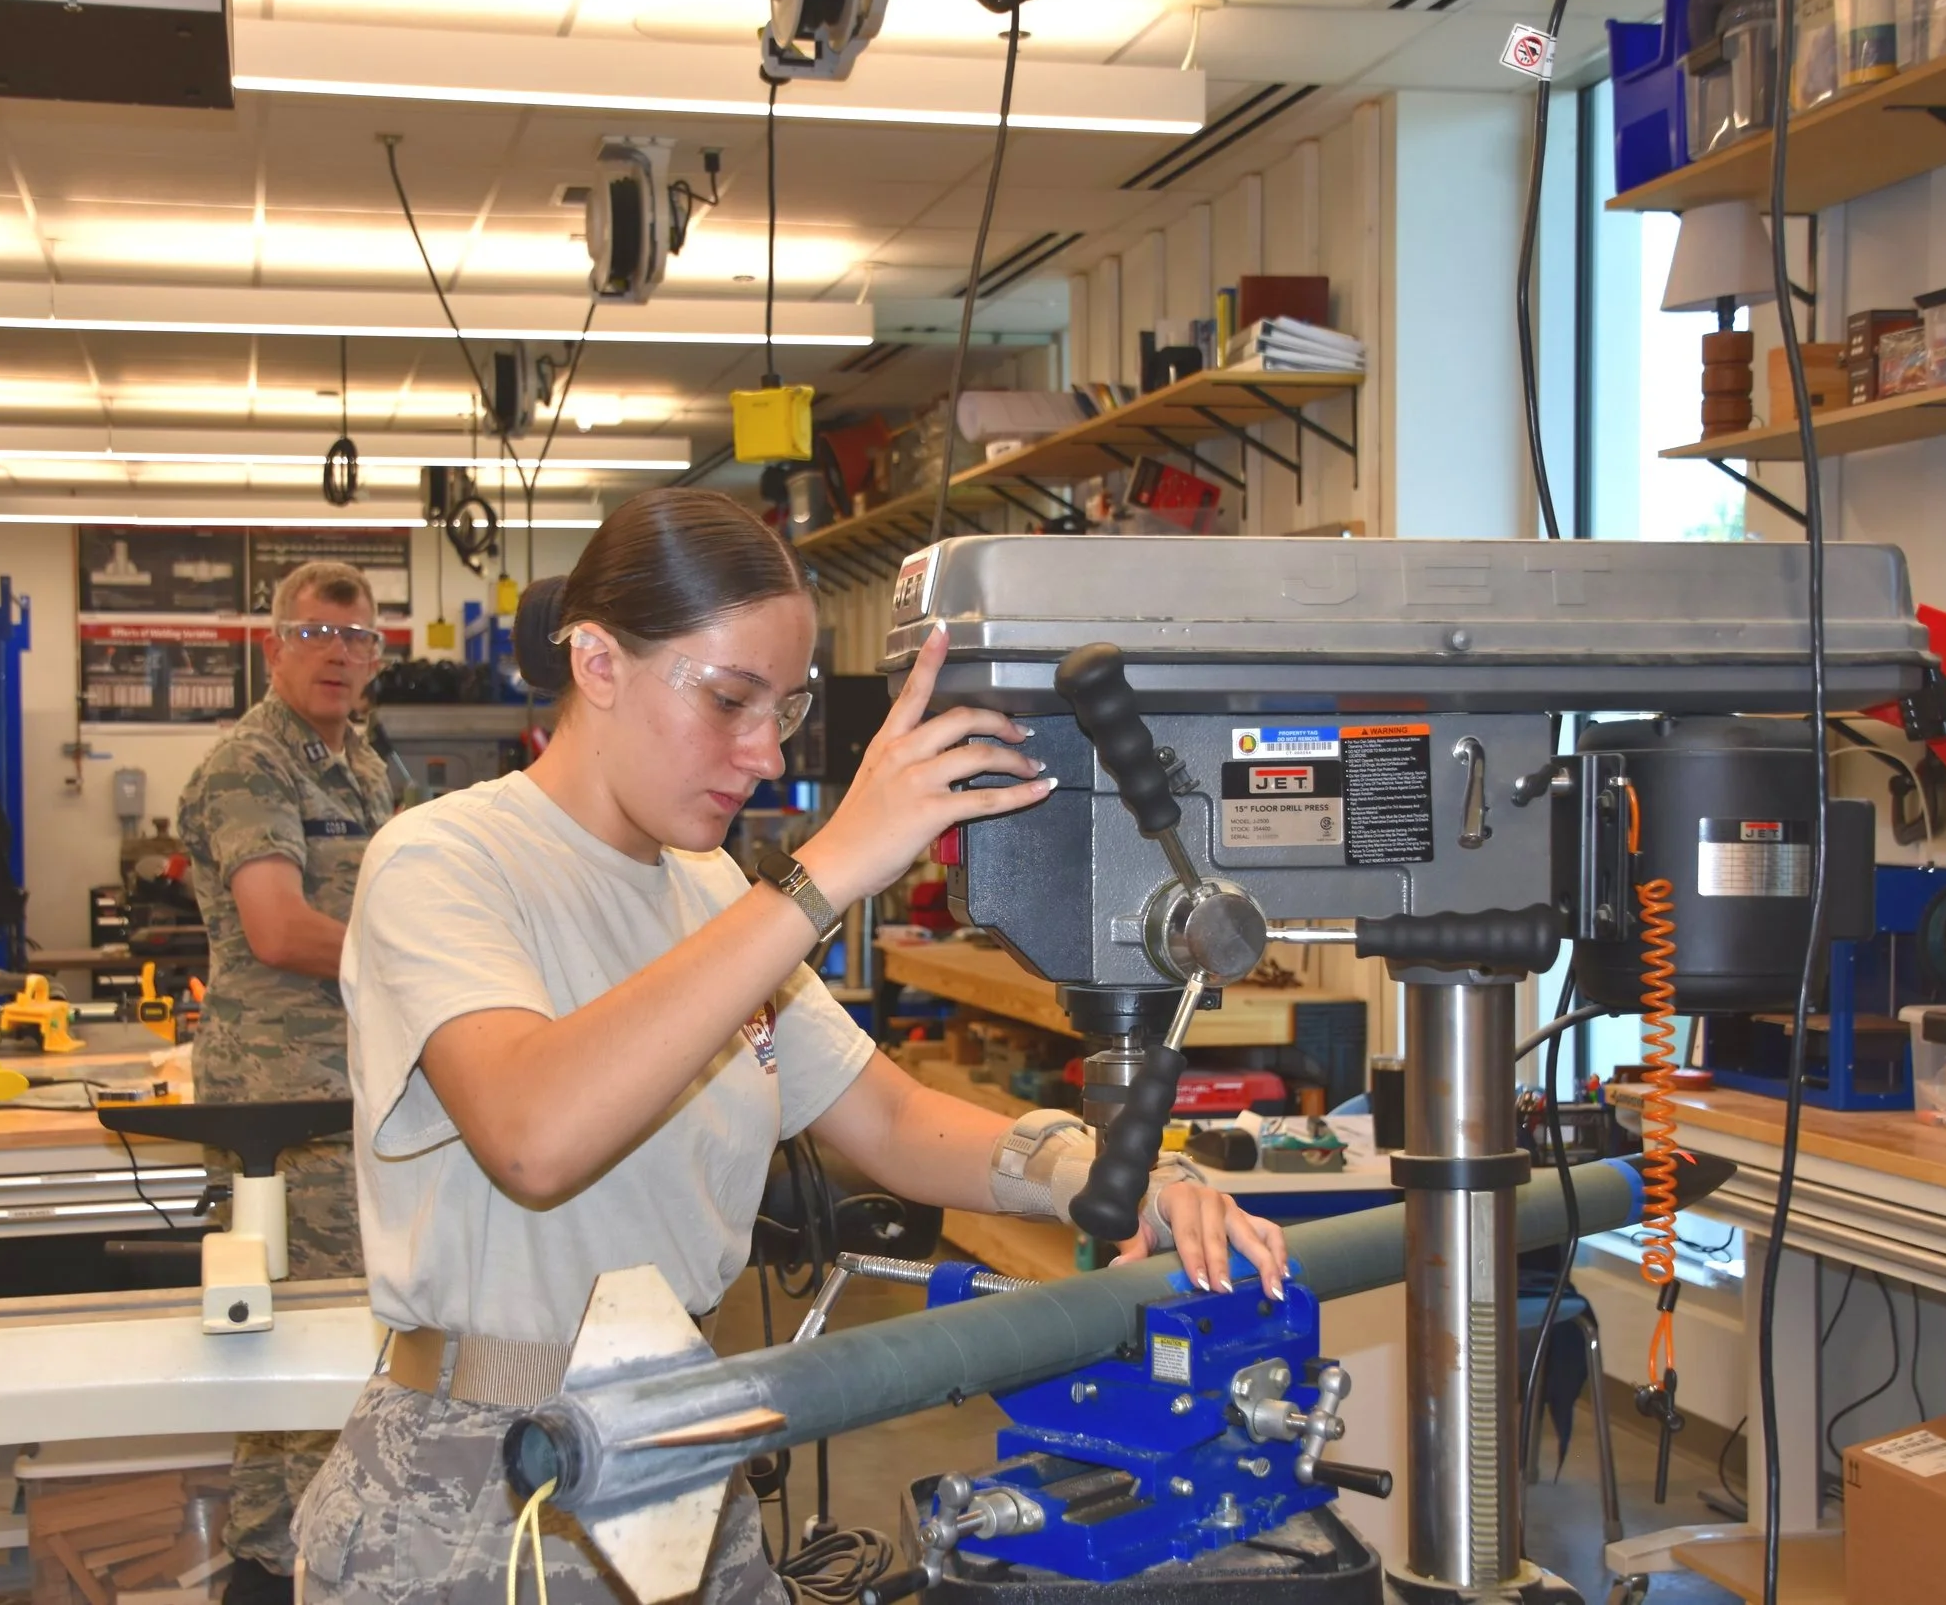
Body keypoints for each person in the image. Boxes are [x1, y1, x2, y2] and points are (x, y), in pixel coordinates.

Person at [296, 488, 1289, 1605]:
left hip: (681, 1456)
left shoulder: (712, 888)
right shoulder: (443, 861)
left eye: (786, 705)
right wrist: (822, 875)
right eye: (727, 699)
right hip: (478, 1492)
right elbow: (534, 1135)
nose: (763, 752)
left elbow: (892, 1120)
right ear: (597, 661)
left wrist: (1114, 1181)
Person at [174, 559, 395, 1605]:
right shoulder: (250, 765)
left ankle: (295, 1554)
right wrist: (417, 966)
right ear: (273, 645)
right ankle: (284, 1564)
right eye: (316, 635)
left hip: (350, 1086)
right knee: (297, 1334)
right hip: (279, 1098)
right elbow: (278, 927)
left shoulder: (365, 766)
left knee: (341, 1325)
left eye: (357, 640)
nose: (338, 655)